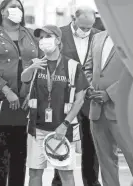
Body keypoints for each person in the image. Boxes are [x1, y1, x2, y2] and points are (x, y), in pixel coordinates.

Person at [0, 0, 42, 185]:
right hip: (0, 100)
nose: (17, 10)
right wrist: (7, 91)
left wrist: (31, 91)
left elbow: (39, 65)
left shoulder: (31, 34)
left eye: (19, 7)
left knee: (20, 155)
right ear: (3, 12)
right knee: (0, 155)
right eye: (12, 7)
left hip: (26, 101)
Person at [21, 25, 89, 186]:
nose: (43, 40)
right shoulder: (37, 63)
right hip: (37, 128)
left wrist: (64, 125)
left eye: (48, 36)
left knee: (66, 174)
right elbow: (24, 78)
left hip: (63, 129)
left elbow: (79, 100)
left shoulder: (72, 66)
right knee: (34, 172)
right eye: (41, 37)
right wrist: (31, 67)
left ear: (58, 40)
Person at [52, 6, 101, 186]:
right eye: (83, 27)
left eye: (89, 28)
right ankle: (58, 181)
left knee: (91, 142)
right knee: (63, 140)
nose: (86, 31)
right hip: (66, 97)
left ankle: (92, 181)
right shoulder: (60, 34)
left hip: (89, 98)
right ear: (74, 18)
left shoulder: (99, 35)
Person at [84, 30, 133, 186]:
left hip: (123, 110)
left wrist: (109, 93)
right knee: (106, 162)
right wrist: (89, 87)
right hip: (97, 109)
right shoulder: (97, 37)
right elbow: (88, 67)